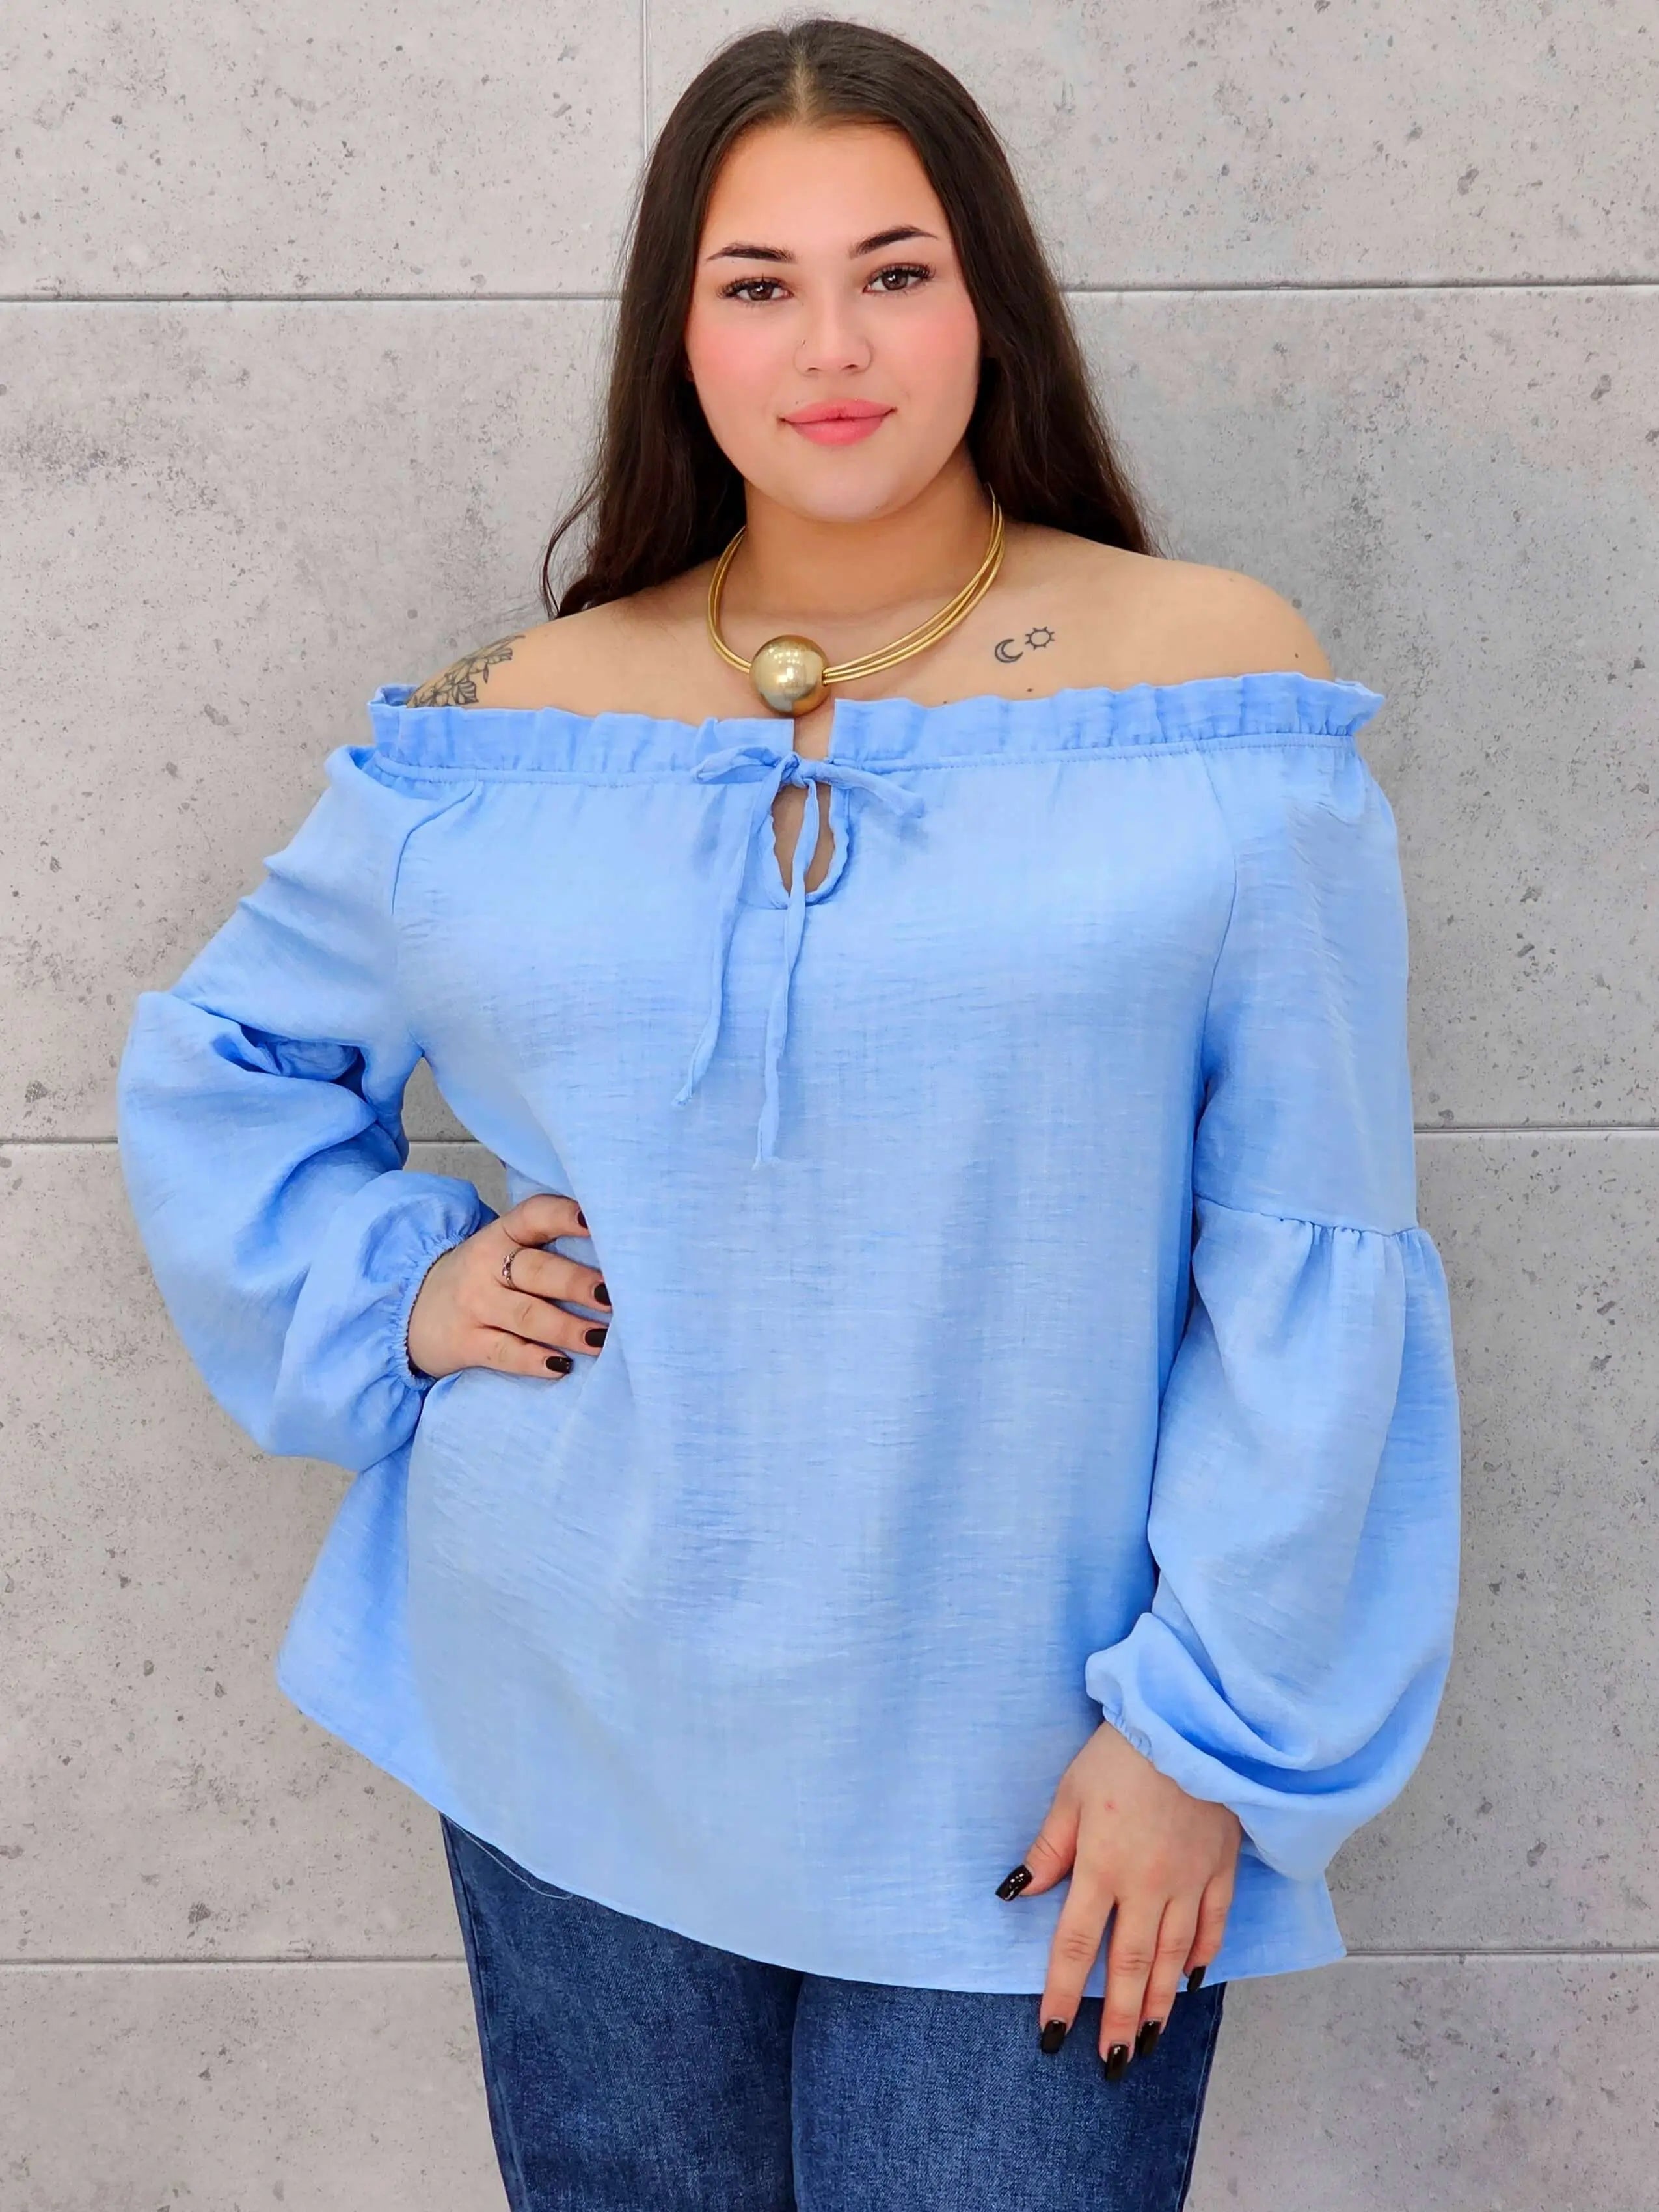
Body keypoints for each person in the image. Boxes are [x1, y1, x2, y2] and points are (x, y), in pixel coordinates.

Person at [115, 17, 1463, 2210]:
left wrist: (1207, 1736)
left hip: (1044, 1761)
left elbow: (1312, 1246)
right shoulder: (515, 721)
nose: (830, 346)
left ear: (988, 300)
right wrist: (397, 1295)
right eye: (758, 284)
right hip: (572, 1710)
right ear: (681, 330)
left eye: (894, 272)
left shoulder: (1208, 687)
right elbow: (225, 1062)